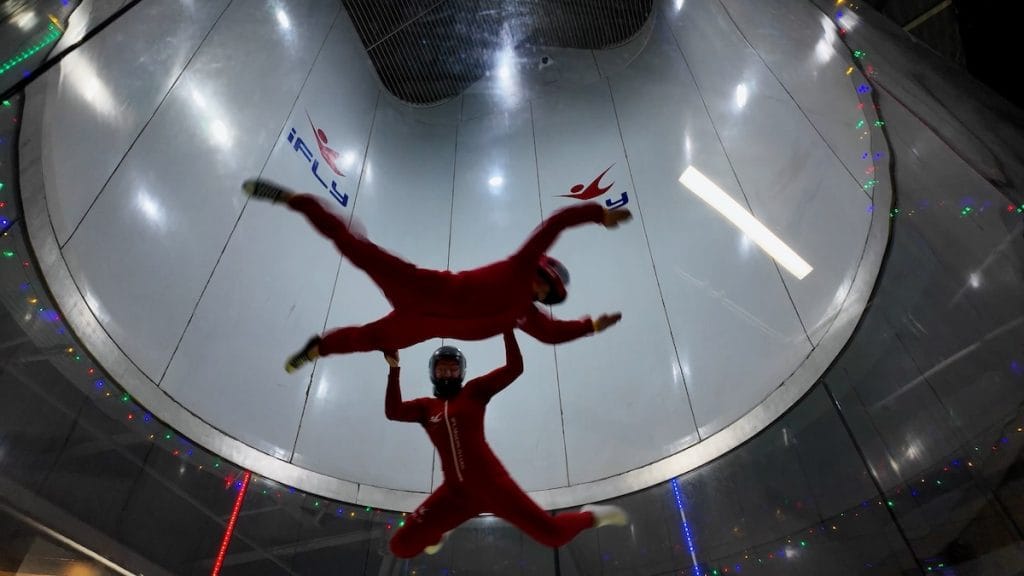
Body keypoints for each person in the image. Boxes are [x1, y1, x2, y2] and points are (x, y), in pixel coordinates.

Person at [240, 178, 630, 373]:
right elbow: (556, 223)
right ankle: (297, 201)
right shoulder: (520, 264)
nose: (541, 286)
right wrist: (598, 215)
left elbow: (552, 335)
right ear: (539, 269)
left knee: (371, 339)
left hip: (419, 326)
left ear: (545, 296)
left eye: (547, 290)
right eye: (544, 278)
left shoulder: (524, 316)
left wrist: (590, 326)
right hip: (420, 285)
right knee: (355, 250)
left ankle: (317, 348)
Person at [383, 331, 628, 558]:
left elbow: (515, 368)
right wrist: (394, 369)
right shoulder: (426, 408)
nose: (447, 374)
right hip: (454, 495)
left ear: (461, 373)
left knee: (553, 535)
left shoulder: (474, 392)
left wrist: (507, 329)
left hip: (494, 487)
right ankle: (439, 532)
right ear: (433, 373)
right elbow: (393, 411)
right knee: (400, 546)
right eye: (442, 369)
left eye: (453, 369)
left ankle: (591, 515)